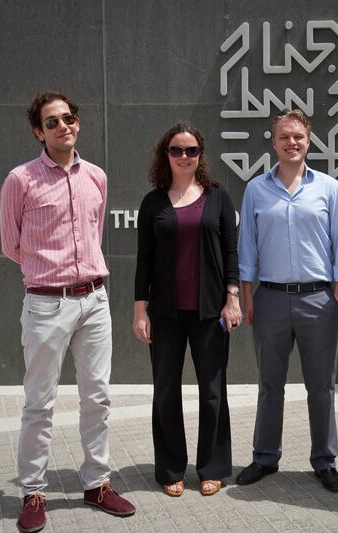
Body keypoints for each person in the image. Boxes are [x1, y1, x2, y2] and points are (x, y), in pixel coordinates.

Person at [0, 91, 135, 533]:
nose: (64, 126)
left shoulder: (96, 176)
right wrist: (49, 272)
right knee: (39, 402)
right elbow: (10, 245)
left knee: (97, 396)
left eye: (69, 118)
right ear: (39, 132)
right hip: (46, 303)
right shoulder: (20, 180)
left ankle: (97, 482)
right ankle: (33, 490)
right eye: (52, 121)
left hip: (95, 300)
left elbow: (93, 234)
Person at [236, 110, 338, 492]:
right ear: (273, 143)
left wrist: (336, 300)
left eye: (299, 137)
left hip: (318, 300)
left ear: (309, 141)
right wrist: (247, 296)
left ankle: (324, 460)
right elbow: (247, 248)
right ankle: (265, 457)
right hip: (270, 299)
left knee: (321, 386)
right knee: (270, 385)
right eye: (284, 137)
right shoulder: (256, 189)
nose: (292, 143)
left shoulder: (329, 189)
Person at [133, 122, 241, 498]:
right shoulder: (153, 202)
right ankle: (170, 468)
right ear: (166, 155)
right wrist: (139, 310)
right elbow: (143, 260)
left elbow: (231, 250)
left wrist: (233, 297)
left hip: (210, 311)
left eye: (191, 150)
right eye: (176, 150)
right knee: (165, 390)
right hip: (164, 313)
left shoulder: (218, 197)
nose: (184, 156)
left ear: (200, 155)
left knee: (213, 391)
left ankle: (212, 467)